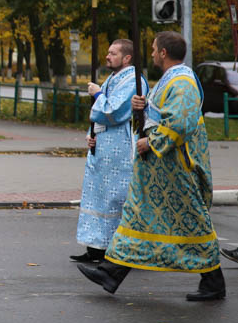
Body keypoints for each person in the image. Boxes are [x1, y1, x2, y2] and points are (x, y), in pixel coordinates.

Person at [78, 31, 225, 301]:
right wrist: (141, 108)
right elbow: (158, 115)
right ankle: (112, 272)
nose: (153, 53)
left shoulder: (181, 82)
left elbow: (179, 123)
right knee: (138, 216)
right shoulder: (169, 80)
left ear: (164, 53)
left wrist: (151, 142)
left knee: (193, 221)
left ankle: (213, 281)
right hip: (160, 170)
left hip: (178, 168)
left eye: (155, 49)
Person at [71, 40, 147, 263]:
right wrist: (90, 134)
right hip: (103, 149)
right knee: (98, 199)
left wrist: (96, 94)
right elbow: (97, 116)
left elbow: (113, 111)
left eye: (113, 53)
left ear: (127, 58)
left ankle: (115, 252)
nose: (107, 56)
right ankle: (95, 247)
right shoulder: (114, 79)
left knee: (115, 199)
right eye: (107, 52)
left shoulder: (134, 81)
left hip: (120, 149)